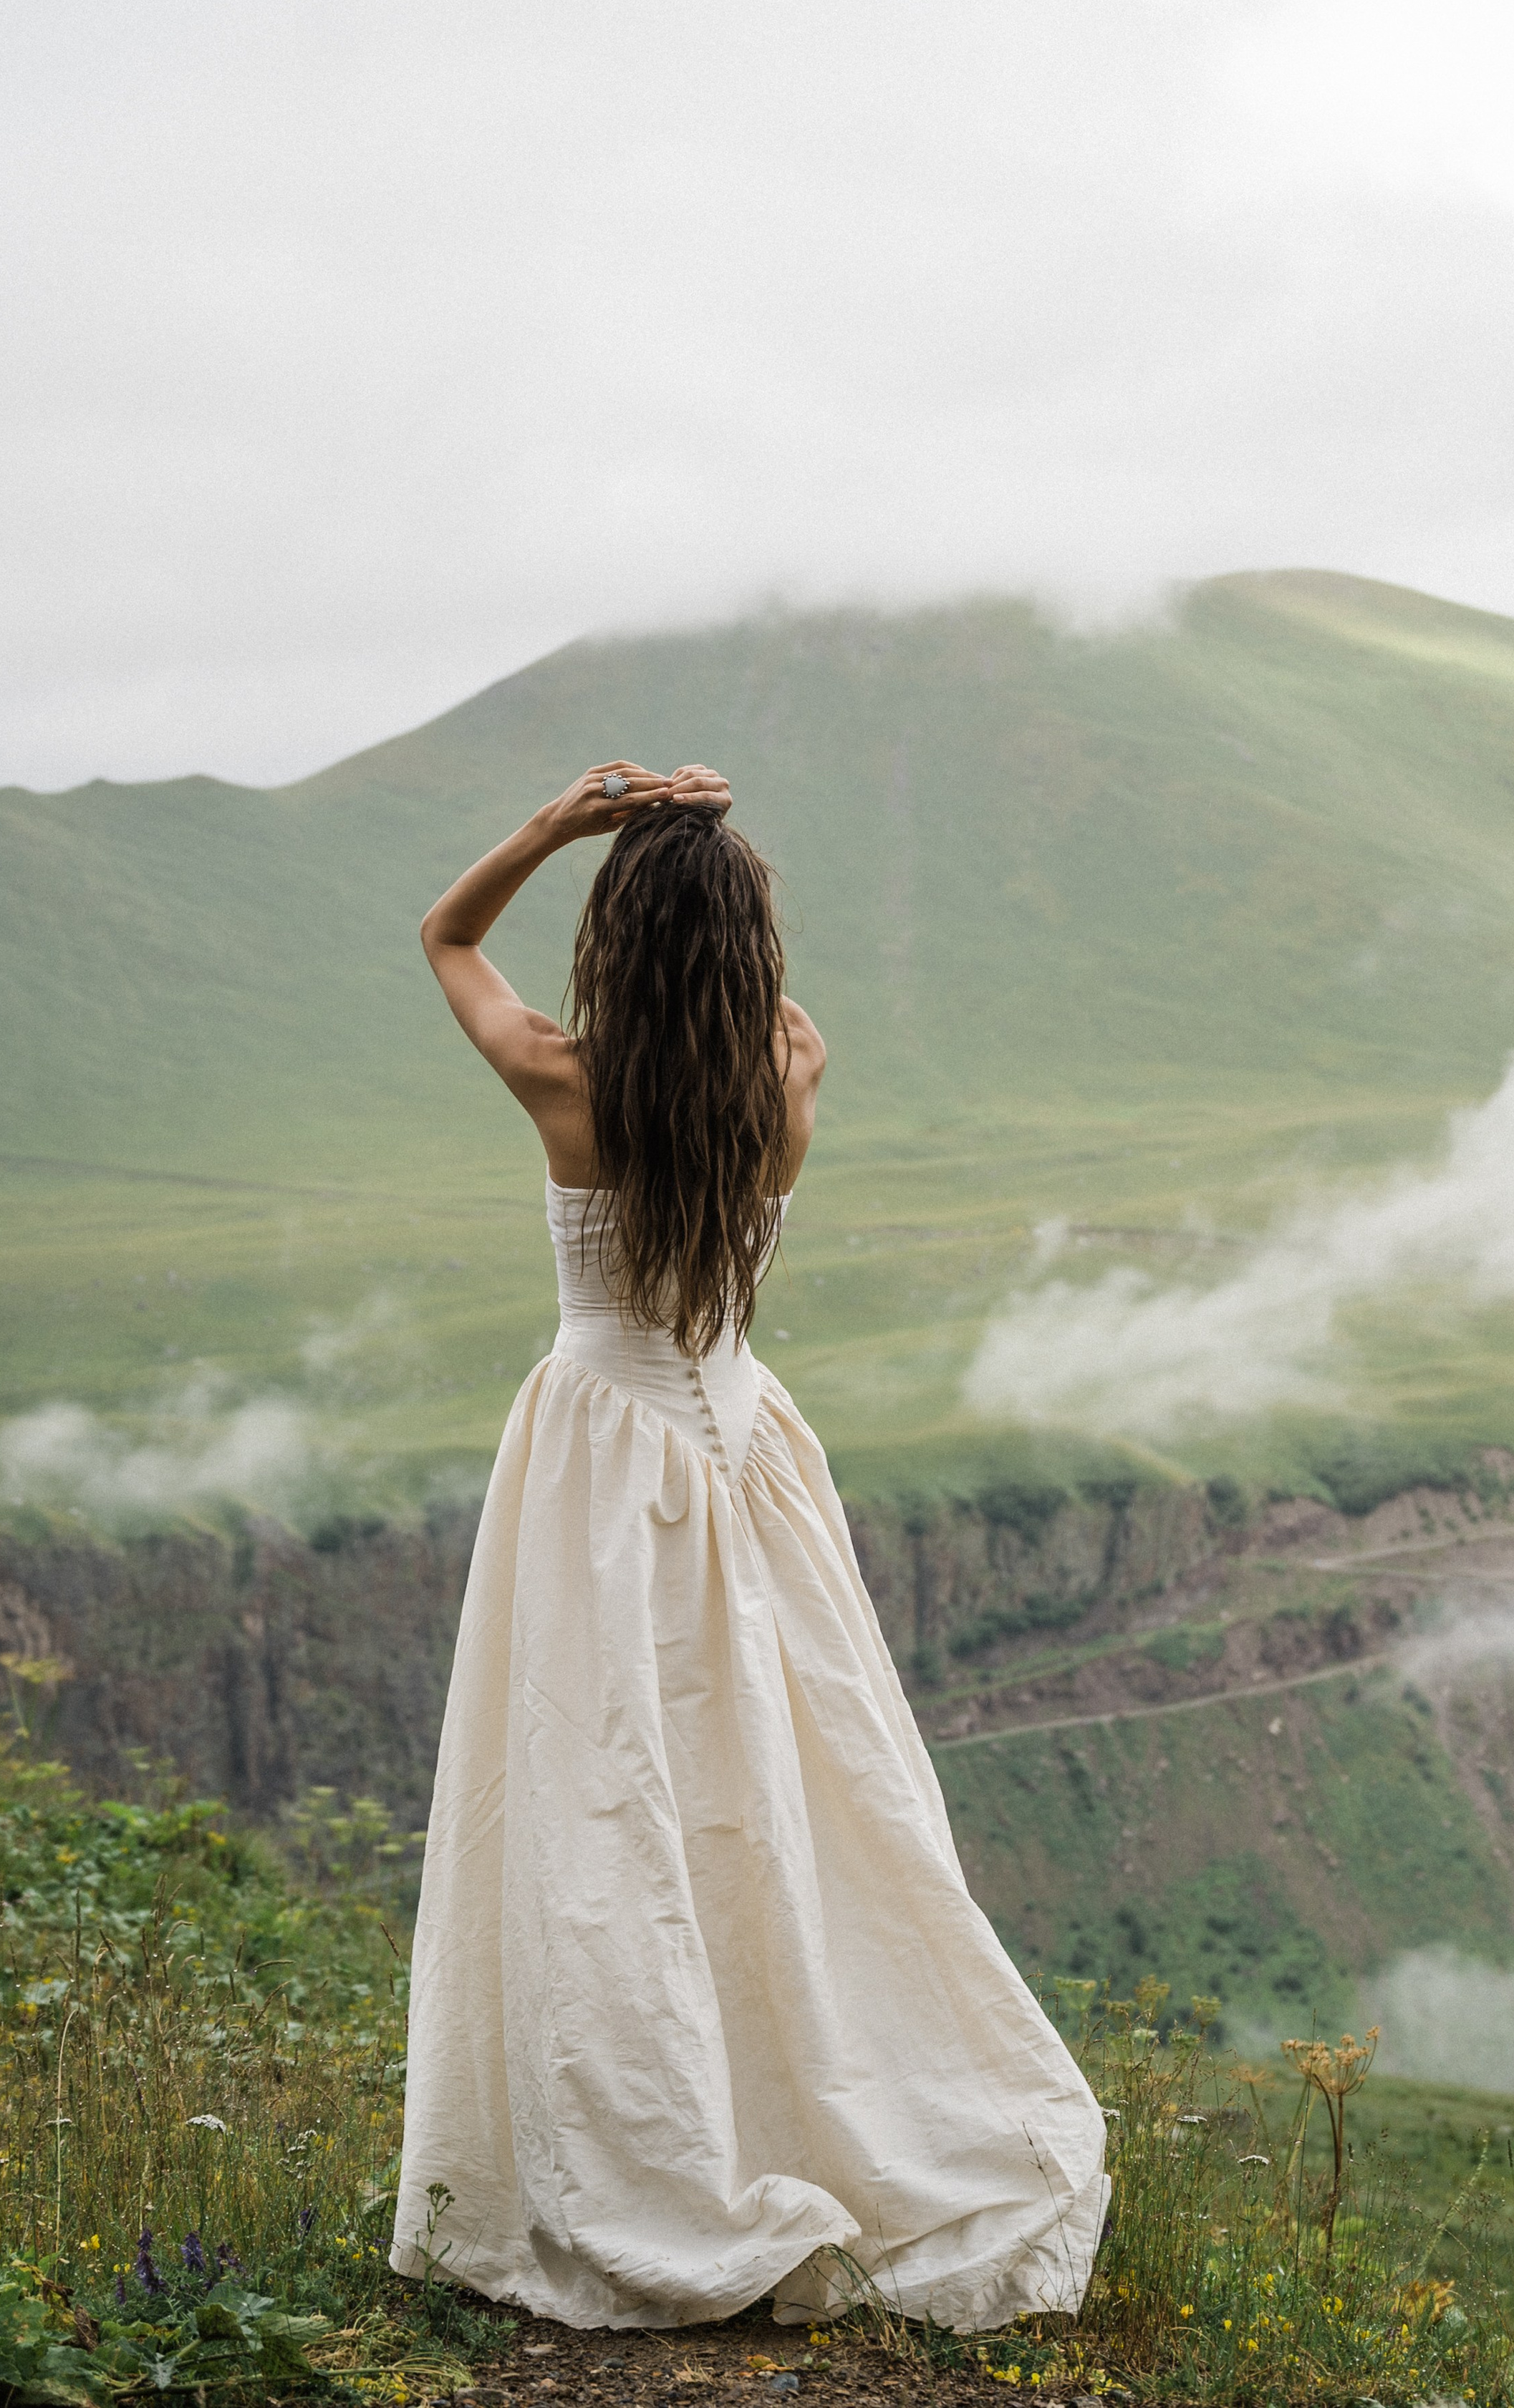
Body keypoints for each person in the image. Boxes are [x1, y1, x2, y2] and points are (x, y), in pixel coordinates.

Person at [390, 760, 1108, 2334]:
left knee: (605, 1803)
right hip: (744, 1451)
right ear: (746, 957)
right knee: (785, 1790)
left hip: (601, 1457)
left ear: (614, 943)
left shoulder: (559, 1081)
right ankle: (810, 2098)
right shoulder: (782, 1089)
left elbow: (446, 935)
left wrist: (560, 826)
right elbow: (777, 1034)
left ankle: (642, 2135)